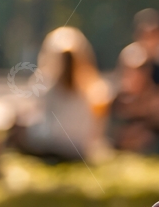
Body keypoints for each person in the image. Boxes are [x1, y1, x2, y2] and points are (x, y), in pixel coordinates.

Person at [19, 27, 109, 162]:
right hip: (80, 148)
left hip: (52, 145)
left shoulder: (45, 83)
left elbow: (37, 118)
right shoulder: (92, 86)